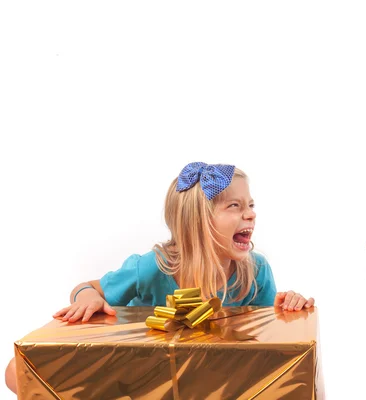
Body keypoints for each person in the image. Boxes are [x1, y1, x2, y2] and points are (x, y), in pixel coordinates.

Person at [6, 161, 314, 394]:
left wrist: (286, 307)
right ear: (198, 221)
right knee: (15, 371)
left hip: (210, 380)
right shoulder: (155, 267)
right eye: (235, 206)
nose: (250, 214)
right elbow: (87, 287)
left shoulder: (254, 270)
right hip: (143, 376)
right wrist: (89, 297)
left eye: (250, 204)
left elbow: (265, 345)